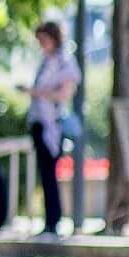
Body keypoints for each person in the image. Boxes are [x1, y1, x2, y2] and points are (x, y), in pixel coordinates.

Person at [25, 20, 81, 236]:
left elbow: (65, 93)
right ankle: (49, 219)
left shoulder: (64, 62)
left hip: (53, 125)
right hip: (39, 122)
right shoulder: (44, 61)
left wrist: (37, 93)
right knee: (45, 174)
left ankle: (53, 220)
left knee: (50, 174)